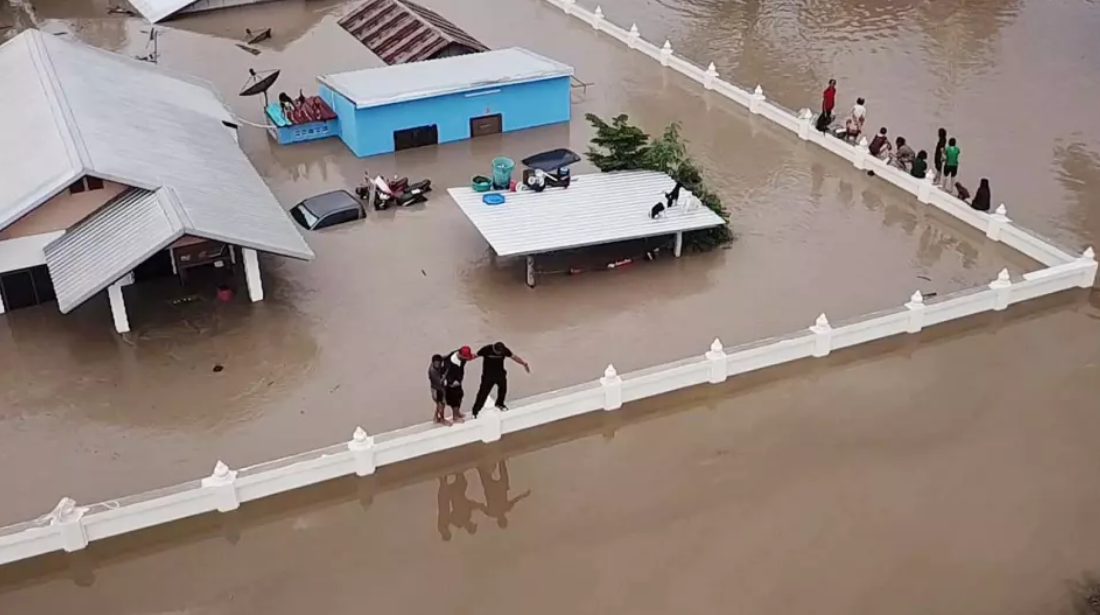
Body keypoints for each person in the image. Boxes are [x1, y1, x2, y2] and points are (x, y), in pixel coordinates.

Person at [471, 341, 530, 417]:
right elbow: (475, 356)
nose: (500, 353)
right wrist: (464, 358)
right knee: (483, 393)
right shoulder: (486, 349)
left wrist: (524, 363)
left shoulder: (505, 350)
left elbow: (514, 357)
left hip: (500, 374)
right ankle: (476, 411)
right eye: (499, 352)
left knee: (503, 390)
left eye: (501, 352)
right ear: (494, 349)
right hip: (488, 376)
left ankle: (499, 404)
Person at [442, 346, 476, 422]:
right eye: (466, 357)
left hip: (458, 381)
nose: (467, 359)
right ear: (461, 355)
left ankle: (457, 413)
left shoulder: (459, 353)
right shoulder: (451, 363)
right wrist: (451, 382)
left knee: (460, 396)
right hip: (451, 384)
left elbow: (470, 357)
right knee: (455, 400)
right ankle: (455, 417)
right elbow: (446, 373)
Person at [428, 354, 449, 425]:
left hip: (440, 388)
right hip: (437, 389)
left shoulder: (438, 360)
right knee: (441, 404)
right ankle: (442, 419)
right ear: (433, 363)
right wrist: (446, 373)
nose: (438, 365)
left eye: (439, 363)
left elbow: (444, 357)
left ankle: (436, 417)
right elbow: (440, 382)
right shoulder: (432, 371)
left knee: (439, 404)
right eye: (436, 364)